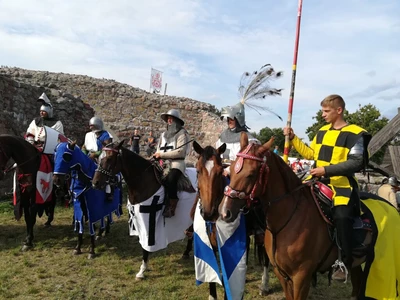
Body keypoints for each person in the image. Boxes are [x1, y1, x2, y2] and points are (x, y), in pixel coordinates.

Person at [284, 94, 371, 282]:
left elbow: (357, 163)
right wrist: (293, 138)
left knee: (341, 216)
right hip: (316, 182)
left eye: (326, 111)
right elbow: (310, 153)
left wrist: (326, 170)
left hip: (342, 187)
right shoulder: (322, 132)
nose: (322, 114)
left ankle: (344, 261)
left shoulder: (357, 133)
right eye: (322, 111)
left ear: (338, 110)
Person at [154, 109, 190, 218]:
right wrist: (156, 155)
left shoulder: (182, 133)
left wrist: (162, 155)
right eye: (168, 118)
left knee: (171, 179)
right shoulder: (163, 135)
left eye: (171, 118)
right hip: (161, 163)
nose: (169, 120)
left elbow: (181, 152)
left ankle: (172, 206)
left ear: (176, 120)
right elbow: (158, 149)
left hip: (176, 163)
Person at [216, 101, 260, 176]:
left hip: (238, 175)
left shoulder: (249, 140)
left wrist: (229, 170)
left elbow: (246, 162)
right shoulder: (222, 137)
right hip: (221, 172)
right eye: (228, 119)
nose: (229, 122)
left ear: (238, 120)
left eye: (232, 119)